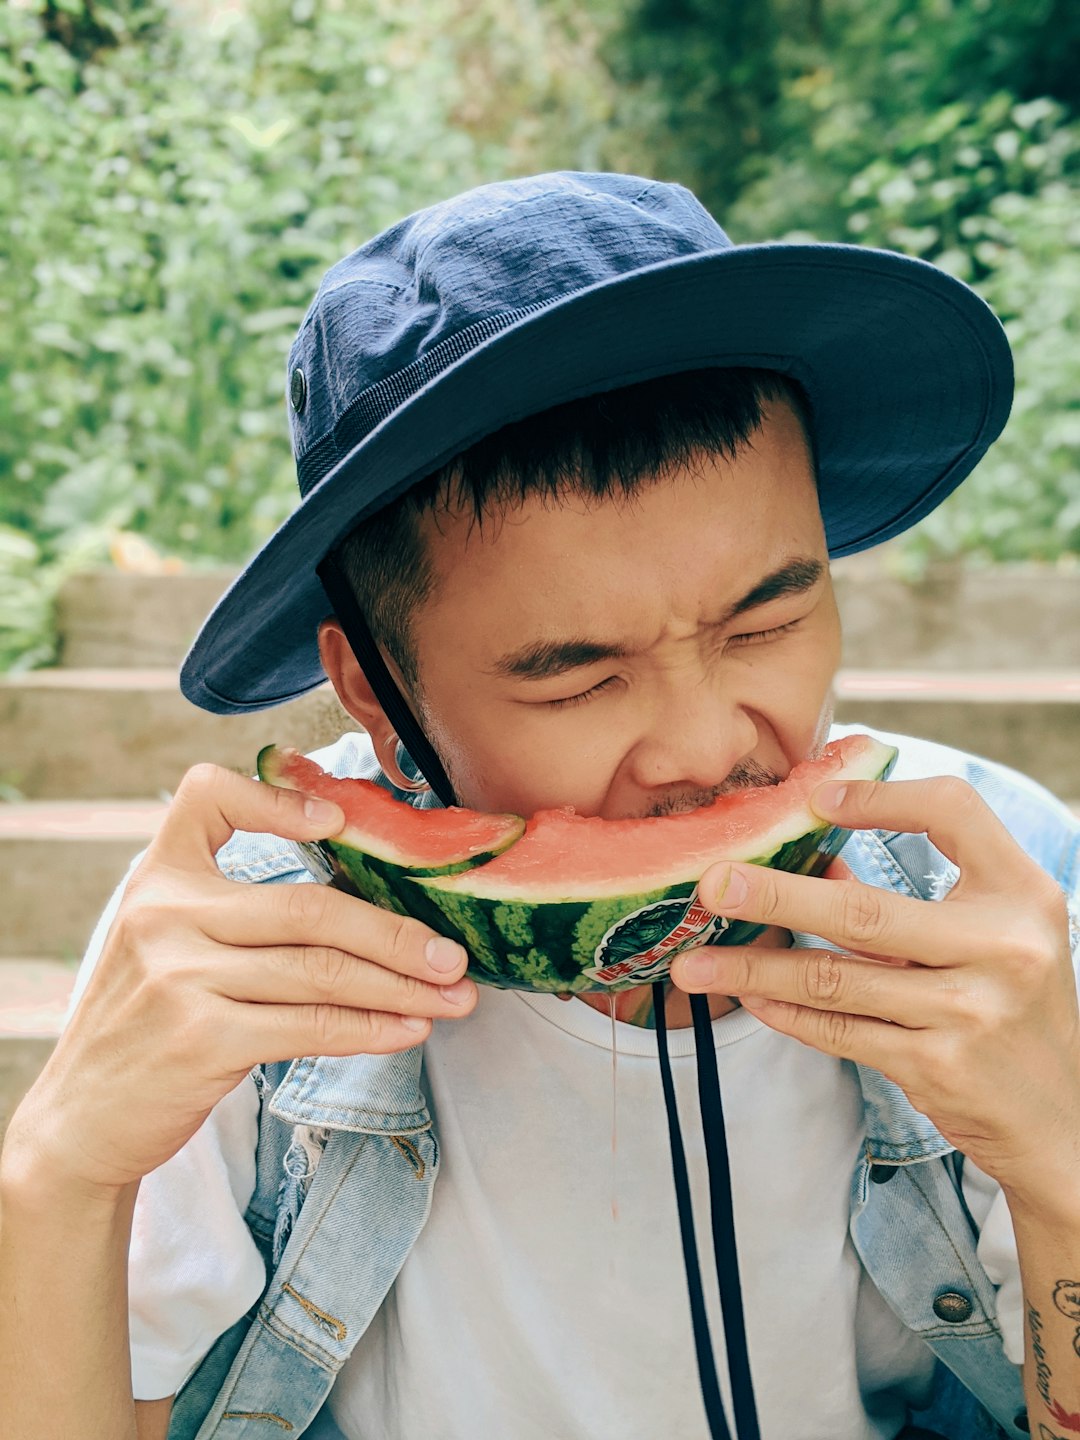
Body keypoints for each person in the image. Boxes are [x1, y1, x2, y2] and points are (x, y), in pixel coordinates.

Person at [1, 173, 1078, 1440]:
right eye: (578, 678)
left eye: (770, 621)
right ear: (370, 688)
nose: (699, 749)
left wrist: (1063, 1160)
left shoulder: (1000, 888)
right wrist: (57, 1176)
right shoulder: (237, 963)